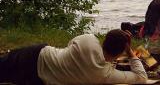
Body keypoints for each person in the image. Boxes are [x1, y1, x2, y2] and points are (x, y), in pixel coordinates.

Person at [0, 29, 147, 85]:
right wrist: (130, 51)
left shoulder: (89, 40)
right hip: (37, 77)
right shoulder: (104, 75)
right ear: (120, 52)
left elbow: (69, 46)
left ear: (105, 40)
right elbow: (141, 77)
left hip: (38, 55)